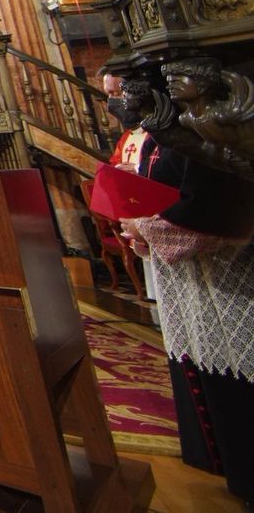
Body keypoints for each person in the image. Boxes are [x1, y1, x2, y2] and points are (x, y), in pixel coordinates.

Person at [122, 59, 254, 505]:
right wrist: (140, 222)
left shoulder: (209, 129)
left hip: (229, 272)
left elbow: (216, 207)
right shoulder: (170, 130)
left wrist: (145, 226)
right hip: (193, 274)